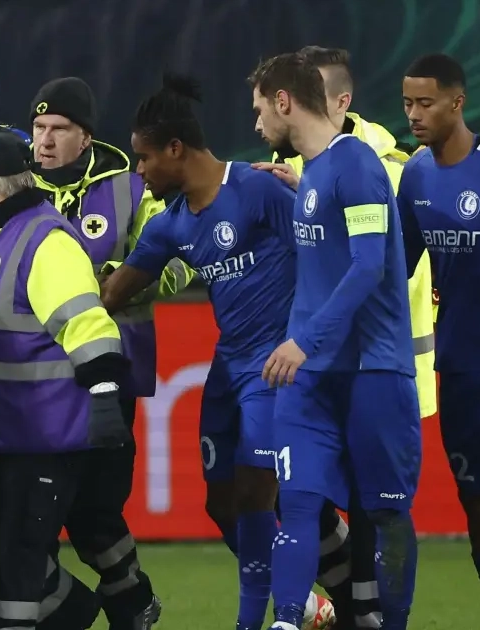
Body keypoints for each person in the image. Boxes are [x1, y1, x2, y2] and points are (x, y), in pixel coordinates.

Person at [100, 75, 329, 630]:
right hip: (227, 370)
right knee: (220, 501)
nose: (139, 171)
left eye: (144, 157)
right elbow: (111, 295)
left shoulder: (259, 189)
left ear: (176, 149)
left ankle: (281, 615)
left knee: (257, 491)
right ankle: (317, 600)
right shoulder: (170, 225)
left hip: (275, 368)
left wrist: (312, 339)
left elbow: (323, 254)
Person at [254, 48, 437, 629]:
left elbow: (367, 267)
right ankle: (287, 621)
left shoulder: (356, 165)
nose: (256, 124)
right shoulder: (316, 171)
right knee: (297, 503)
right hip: (313, 378)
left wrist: (304, 341)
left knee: (386, 515)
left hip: (371, 372)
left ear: (284, 102)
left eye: (260, 110)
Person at [0, 132, 127, 630]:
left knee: (18, 559)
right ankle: (77, 613)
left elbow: (87, 325)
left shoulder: (48, 243)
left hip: (39, 441)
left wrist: (105, 395)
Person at [27, 75, 169, 630]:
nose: (44, 140)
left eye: (58, 129)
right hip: (31, 375)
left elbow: (175, 260)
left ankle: (133, 606)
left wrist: (125, 281)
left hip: (105, 374)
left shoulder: (131, 188)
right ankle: (87, 612)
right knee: (32, 515)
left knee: (95, 514)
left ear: (85, 136)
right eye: (38, 127)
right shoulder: (11, 185)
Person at [397, 53, 480, 624]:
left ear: (457, 103)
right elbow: (394, 266)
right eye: (408, 103)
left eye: (425, 103)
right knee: (477, 507)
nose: (414, 114)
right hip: (458, 366)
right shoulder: (415, 176)